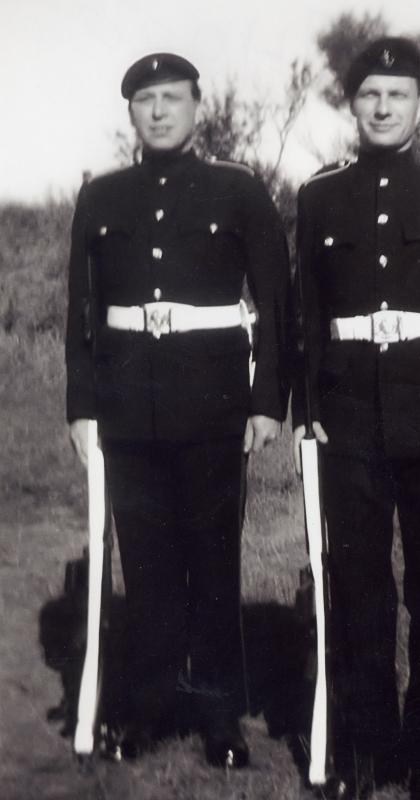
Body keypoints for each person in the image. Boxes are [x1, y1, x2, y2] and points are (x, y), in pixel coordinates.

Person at [66, 52, 291, 766]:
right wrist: (82, 407)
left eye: (172, 98)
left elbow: (276, 306)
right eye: (145, 100)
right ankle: (148, 712)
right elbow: (82, 313)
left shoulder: (237, 191)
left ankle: (220, 720)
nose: (158, 111)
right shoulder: (101, 198)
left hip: (214, 403)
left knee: (213, 563)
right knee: (149, 566)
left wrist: (266, 402)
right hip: (128, 407)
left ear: (199, 106)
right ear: (130, 112)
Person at [293, 37, 420, 800]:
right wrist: (306, 407)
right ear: (352, 105)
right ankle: (364, 750)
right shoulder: (319, 195)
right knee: (357, 586)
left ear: (419, 104)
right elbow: (307, 314)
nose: (381, 107)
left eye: (396, 95)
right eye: (369, 95)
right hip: (346, 417)